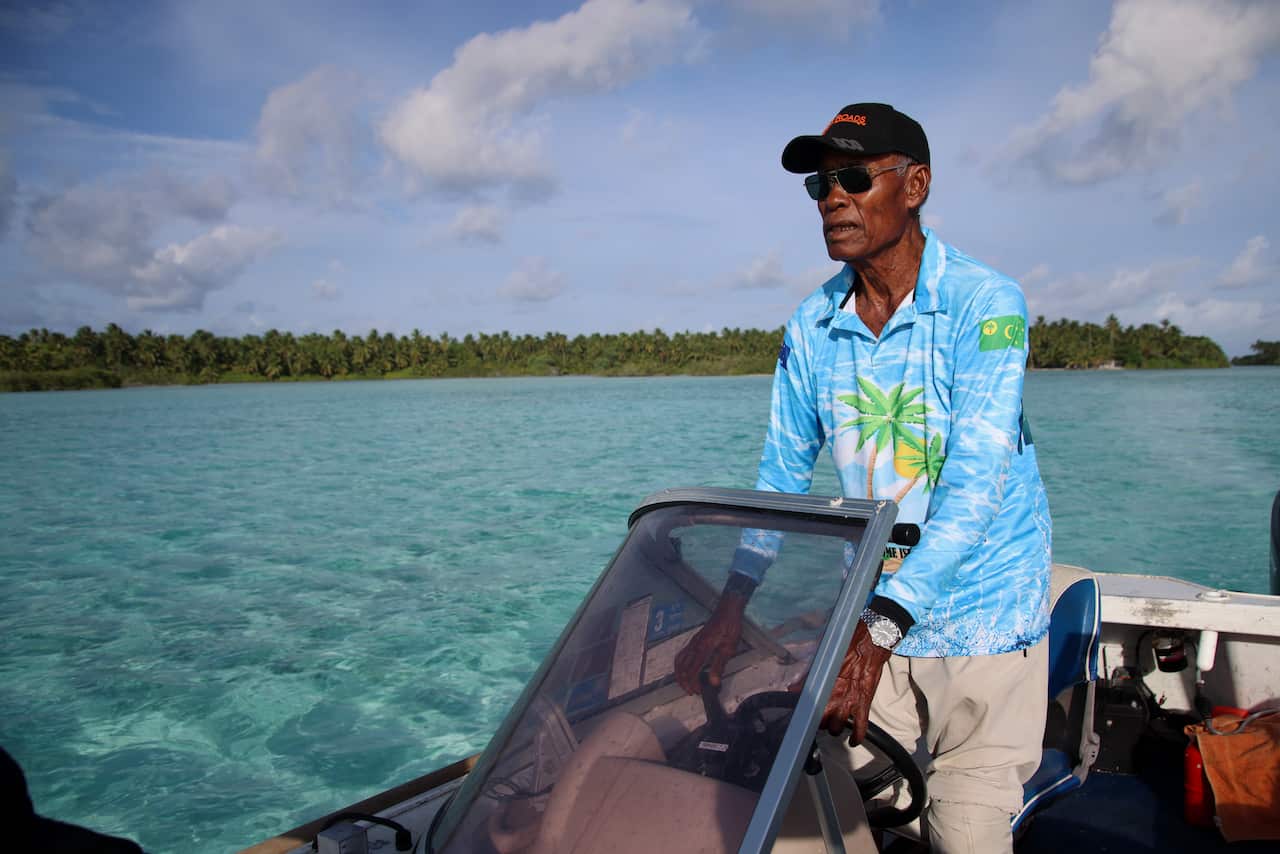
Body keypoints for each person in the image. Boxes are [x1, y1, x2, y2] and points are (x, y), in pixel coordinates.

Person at [674, 102, 1052, 854]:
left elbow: (976, 488)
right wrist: (730, 602)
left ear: (915, 186)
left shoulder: (987, 305)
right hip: (872, 619)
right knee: (817, 823)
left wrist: (877, 632)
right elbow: (781, 478)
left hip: (982, 622)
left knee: (965, 835)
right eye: (820, 185)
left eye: (853, 177)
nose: (833, 198)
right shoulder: (810, 327)